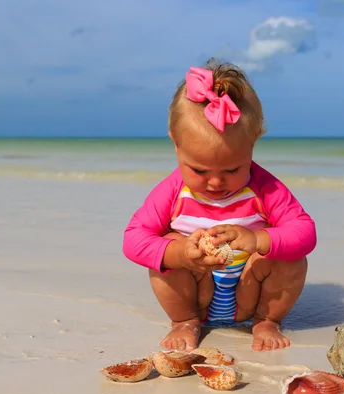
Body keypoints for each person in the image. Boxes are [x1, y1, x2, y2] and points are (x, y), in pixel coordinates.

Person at [122, 58, 317, 352]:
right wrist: (181, 254)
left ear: (253, 145)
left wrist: (257, 239)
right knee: (166, 248)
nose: (215, 183)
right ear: (176, 144)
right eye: (200, 171)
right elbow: (133, 240)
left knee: (290, 257)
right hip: (195, 298)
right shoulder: (173, 191)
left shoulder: (265, 188)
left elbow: (305, 233)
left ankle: (267, 321)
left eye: (232, 170)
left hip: (249, 297)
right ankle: (184, 321)